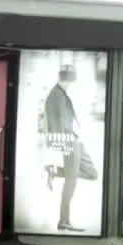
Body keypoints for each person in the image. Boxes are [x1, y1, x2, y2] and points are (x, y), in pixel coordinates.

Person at [42, 65, 95, 231]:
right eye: (69, 81)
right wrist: (63, 144)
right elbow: (56, 123)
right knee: (70, 182)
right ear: (64, 79)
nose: (70, 84)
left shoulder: (62, 94)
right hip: (68, 142)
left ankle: (55, 171)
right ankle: (63, 221)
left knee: (92, 173)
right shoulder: (55, 95)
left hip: (76, 140)